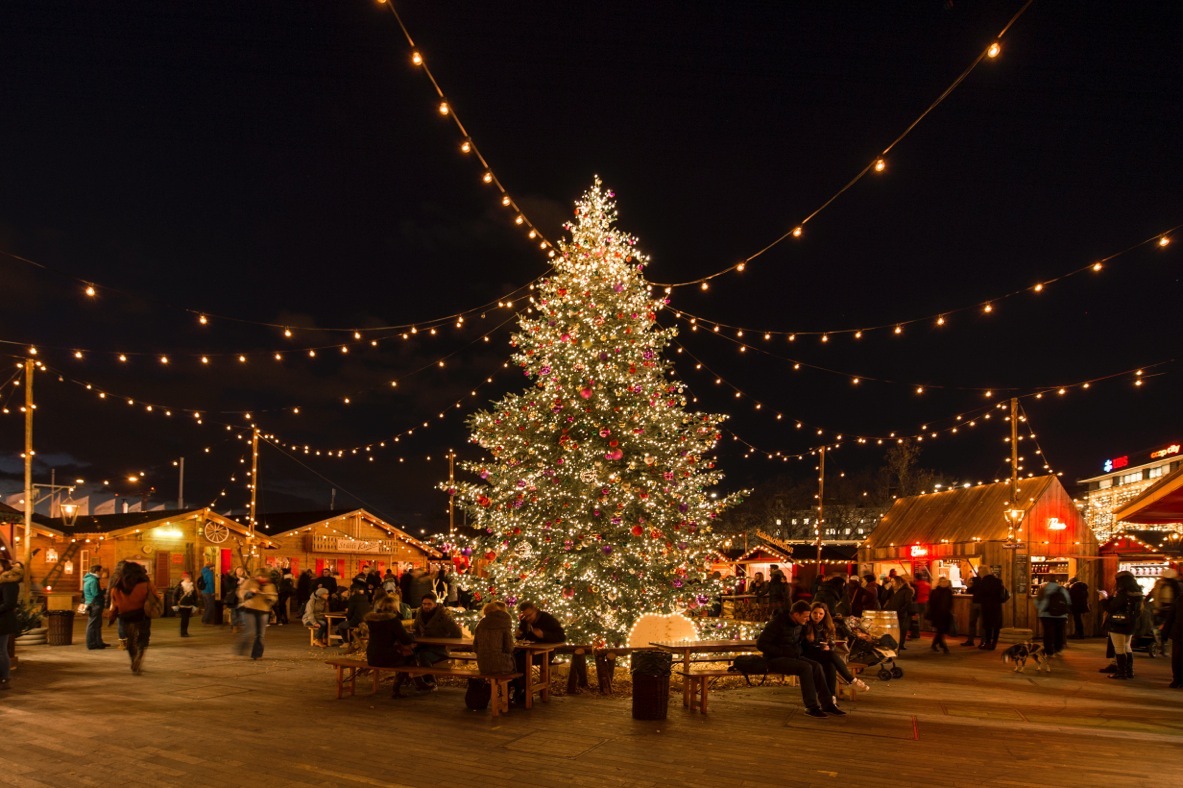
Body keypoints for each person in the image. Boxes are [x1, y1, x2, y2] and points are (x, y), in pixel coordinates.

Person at [757, 600, 846, 718]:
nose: (808, 619)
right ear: (796, 614)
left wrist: (799, 650)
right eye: (805, 616)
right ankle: (811, 707)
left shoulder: (799, 624)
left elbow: (799, 643)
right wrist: (783, 652)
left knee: (816, 666)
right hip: (774, 659)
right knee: (805, 667)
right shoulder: (776, 624)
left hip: (792, 657)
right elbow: (761, 644)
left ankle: (827, 704)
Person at [804, 602, 869, 699]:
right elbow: (804, 644)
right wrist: (819, 646)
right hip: (808, 653)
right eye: (815, 613)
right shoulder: (806, 624)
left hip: (823, 654)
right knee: (830, 655)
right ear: (810, 613)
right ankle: (851, 680)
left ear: (825, 614)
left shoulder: (827, 626)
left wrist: (829, 647)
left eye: (821, 613)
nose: (818, 616)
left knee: (831, 664)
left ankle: (831, 697)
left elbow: (832, 643)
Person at [513, 601, 566, 705]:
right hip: (528, 650)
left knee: (522, 660)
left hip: (545, 653)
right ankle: (518, 688)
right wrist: (518, 634)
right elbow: (521, 635)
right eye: (525, 616)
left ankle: (525, 691)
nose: (527, 618)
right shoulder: (525, 621)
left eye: (529, 615)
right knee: (513, 658)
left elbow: (561, 637)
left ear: (535, 610)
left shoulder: (547, 619)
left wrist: (543, 635)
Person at [108, 561, 157, 674]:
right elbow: (155, 597)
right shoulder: (146, 584)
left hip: (126, 616)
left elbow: (114, 604)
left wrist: (112, 616)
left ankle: (133, 659)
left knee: (130, 641)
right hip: (142, 615)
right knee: (143, 638)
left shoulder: (117, 587)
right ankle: (139, 656)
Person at [364, 594, 415, 695]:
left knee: (406, 654)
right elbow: (406, 640)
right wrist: (411, 635)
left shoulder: (372, 620)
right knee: (411, 656)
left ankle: (407, 684)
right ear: (394, 607)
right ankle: (398, 688)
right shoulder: (393, 620)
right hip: (387, 658)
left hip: (372, 657)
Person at [411, 593, 462, 690]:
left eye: (429, 604)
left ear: (435, 604)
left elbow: (457, 633)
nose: (426, 606)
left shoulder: (444, 616)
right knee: (410, 653)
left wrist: (445, 642)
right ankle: (418, 681)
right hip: (424, 645)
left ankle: (431, 682)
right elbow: (415, 628)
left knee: (423, 656)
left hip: (439, 648)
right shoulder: (420, 613)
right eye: (424, 604)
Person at [1104, 570, 1143, 680]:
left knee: (1119, 648)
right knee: (1127, 646)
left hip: (1118, 623)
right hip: (1130, 623)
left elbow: (1111, 608)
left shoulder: (1123, 593)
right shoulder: (1138, 593)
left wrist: (1103, 600)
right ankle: (1129, 671)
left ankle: (1121, 672)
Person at [236, 566, 278, 659]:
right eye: (259, 576)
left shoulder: (270, 585)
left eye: (263, 577)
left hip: (263, 610)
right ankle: (242, 648)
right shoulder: (250, 582)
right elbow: (240, 592)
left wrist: (270, 599)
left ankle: (256, 654)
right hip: (249, 608)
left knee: (260, 634)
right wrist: (250, 593)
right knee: (250, 631)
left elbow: (274, 597)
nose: (261, 578)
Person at [473, 601, 516, 675]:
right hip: (502, 667)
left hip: (483, 667)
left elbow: (475, 648)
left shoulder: (480, 624)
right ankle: (518, 686)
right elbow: (509, 648)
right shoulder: (504, 623)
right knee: (519, 663)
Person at [0, 560, 24, 690]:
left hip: (3, 621)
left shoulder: (9, 583)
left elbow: (9, 603)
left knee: (1, 650)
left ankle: (5, 677)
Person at [1036, 579, 1071, 657]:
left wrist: (1041, 609)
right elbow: (1068, 601)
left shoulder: (1043, 589)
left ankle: (1049, 651)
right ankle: (1058, 649)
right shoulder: (1062, 589)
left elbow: (1037, 602)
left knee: (1048, 633)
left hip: (1046, 615)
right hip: (1061, 615)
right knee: (1059, 632)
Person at [976, 565, 1006, 651]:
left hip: (986, 606)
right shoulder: (998, 581)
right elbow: (1002, 596)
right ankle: (994, 643)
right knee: (996, 626)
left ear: (982, 573)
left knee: (988, 625)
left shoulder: (982, 582)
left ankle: (988, 643)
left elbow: (978, 596)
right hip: (996, 606)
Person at [883, 575, 914, 650]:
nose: (892, 583)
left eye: (893, 581)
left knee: (900, 630)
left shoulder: (907, 590)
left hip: (900, 613)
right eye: (891, 581)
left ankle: (899, 646)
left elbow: (908, 602)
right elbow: (883, 598)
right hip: (891, 613)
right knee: (892, 630)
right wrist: (886, 590)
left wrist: (901, 611)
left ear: (898, 581)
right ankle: (893, 645)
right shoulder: (892, 590)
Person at [83, 564, 110, 650]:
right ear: (97, 571)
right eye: (101, 571)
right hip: (95, 604)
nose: (102, 573)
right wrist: (104, 591)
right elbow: (95, 593)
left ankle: (98, 642)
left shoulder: (88, 579)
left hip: (91, 603)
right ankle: (91, 643)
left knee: (97, 624)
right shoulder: (93, 581)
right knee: (92, 624)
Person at [1163, 571, 1183, 689]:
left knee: (1177, 657)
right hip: (1178, 632)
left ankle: (1177, 679)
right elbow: (1171, 616)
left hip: (1178, 632)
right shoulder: (1179, 599)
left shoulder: (1180, 599)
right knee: (1177, 657)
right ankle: (1178, 679)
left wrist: (1165, 632)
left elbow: (1171, 617)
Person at [927, 576, 954, 654]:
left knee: (940, 631)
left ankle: (935, 644)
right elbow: (931, 603)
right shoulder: (936, 591)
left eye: (945, 582)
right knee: (940, 630)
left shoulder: (948, 591)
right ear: (939, 583)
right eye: (942, 582)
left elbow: (950, 603)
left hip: (945, 614)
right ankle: (944, 647)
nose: (944, 583)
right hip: (937, 614)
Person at [174, 571, 198, 638]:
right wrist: (174, 605)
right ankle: (183, 632)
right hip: (182, 605)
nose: (189, 579)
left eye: (189, 577)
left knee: (187, 619)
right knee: (184, 619)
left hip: (189, 605)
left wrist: (195, 604)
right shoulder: (180, 586)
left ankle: (185, 632)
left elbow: (195, 596)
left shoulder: (192, 586)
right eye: (187, 577)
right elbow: (175, 595)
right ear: (184, 578)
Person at [961, 575, 982, 647]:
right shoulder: (982, 581)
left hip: (977, 603)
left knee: (973, 622)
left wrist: (967, 583)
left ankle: (971, 640)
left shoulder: (978, 581)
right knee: (979, 623)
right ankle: (982, 642)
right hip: (981, 603)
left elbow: (969, 590)